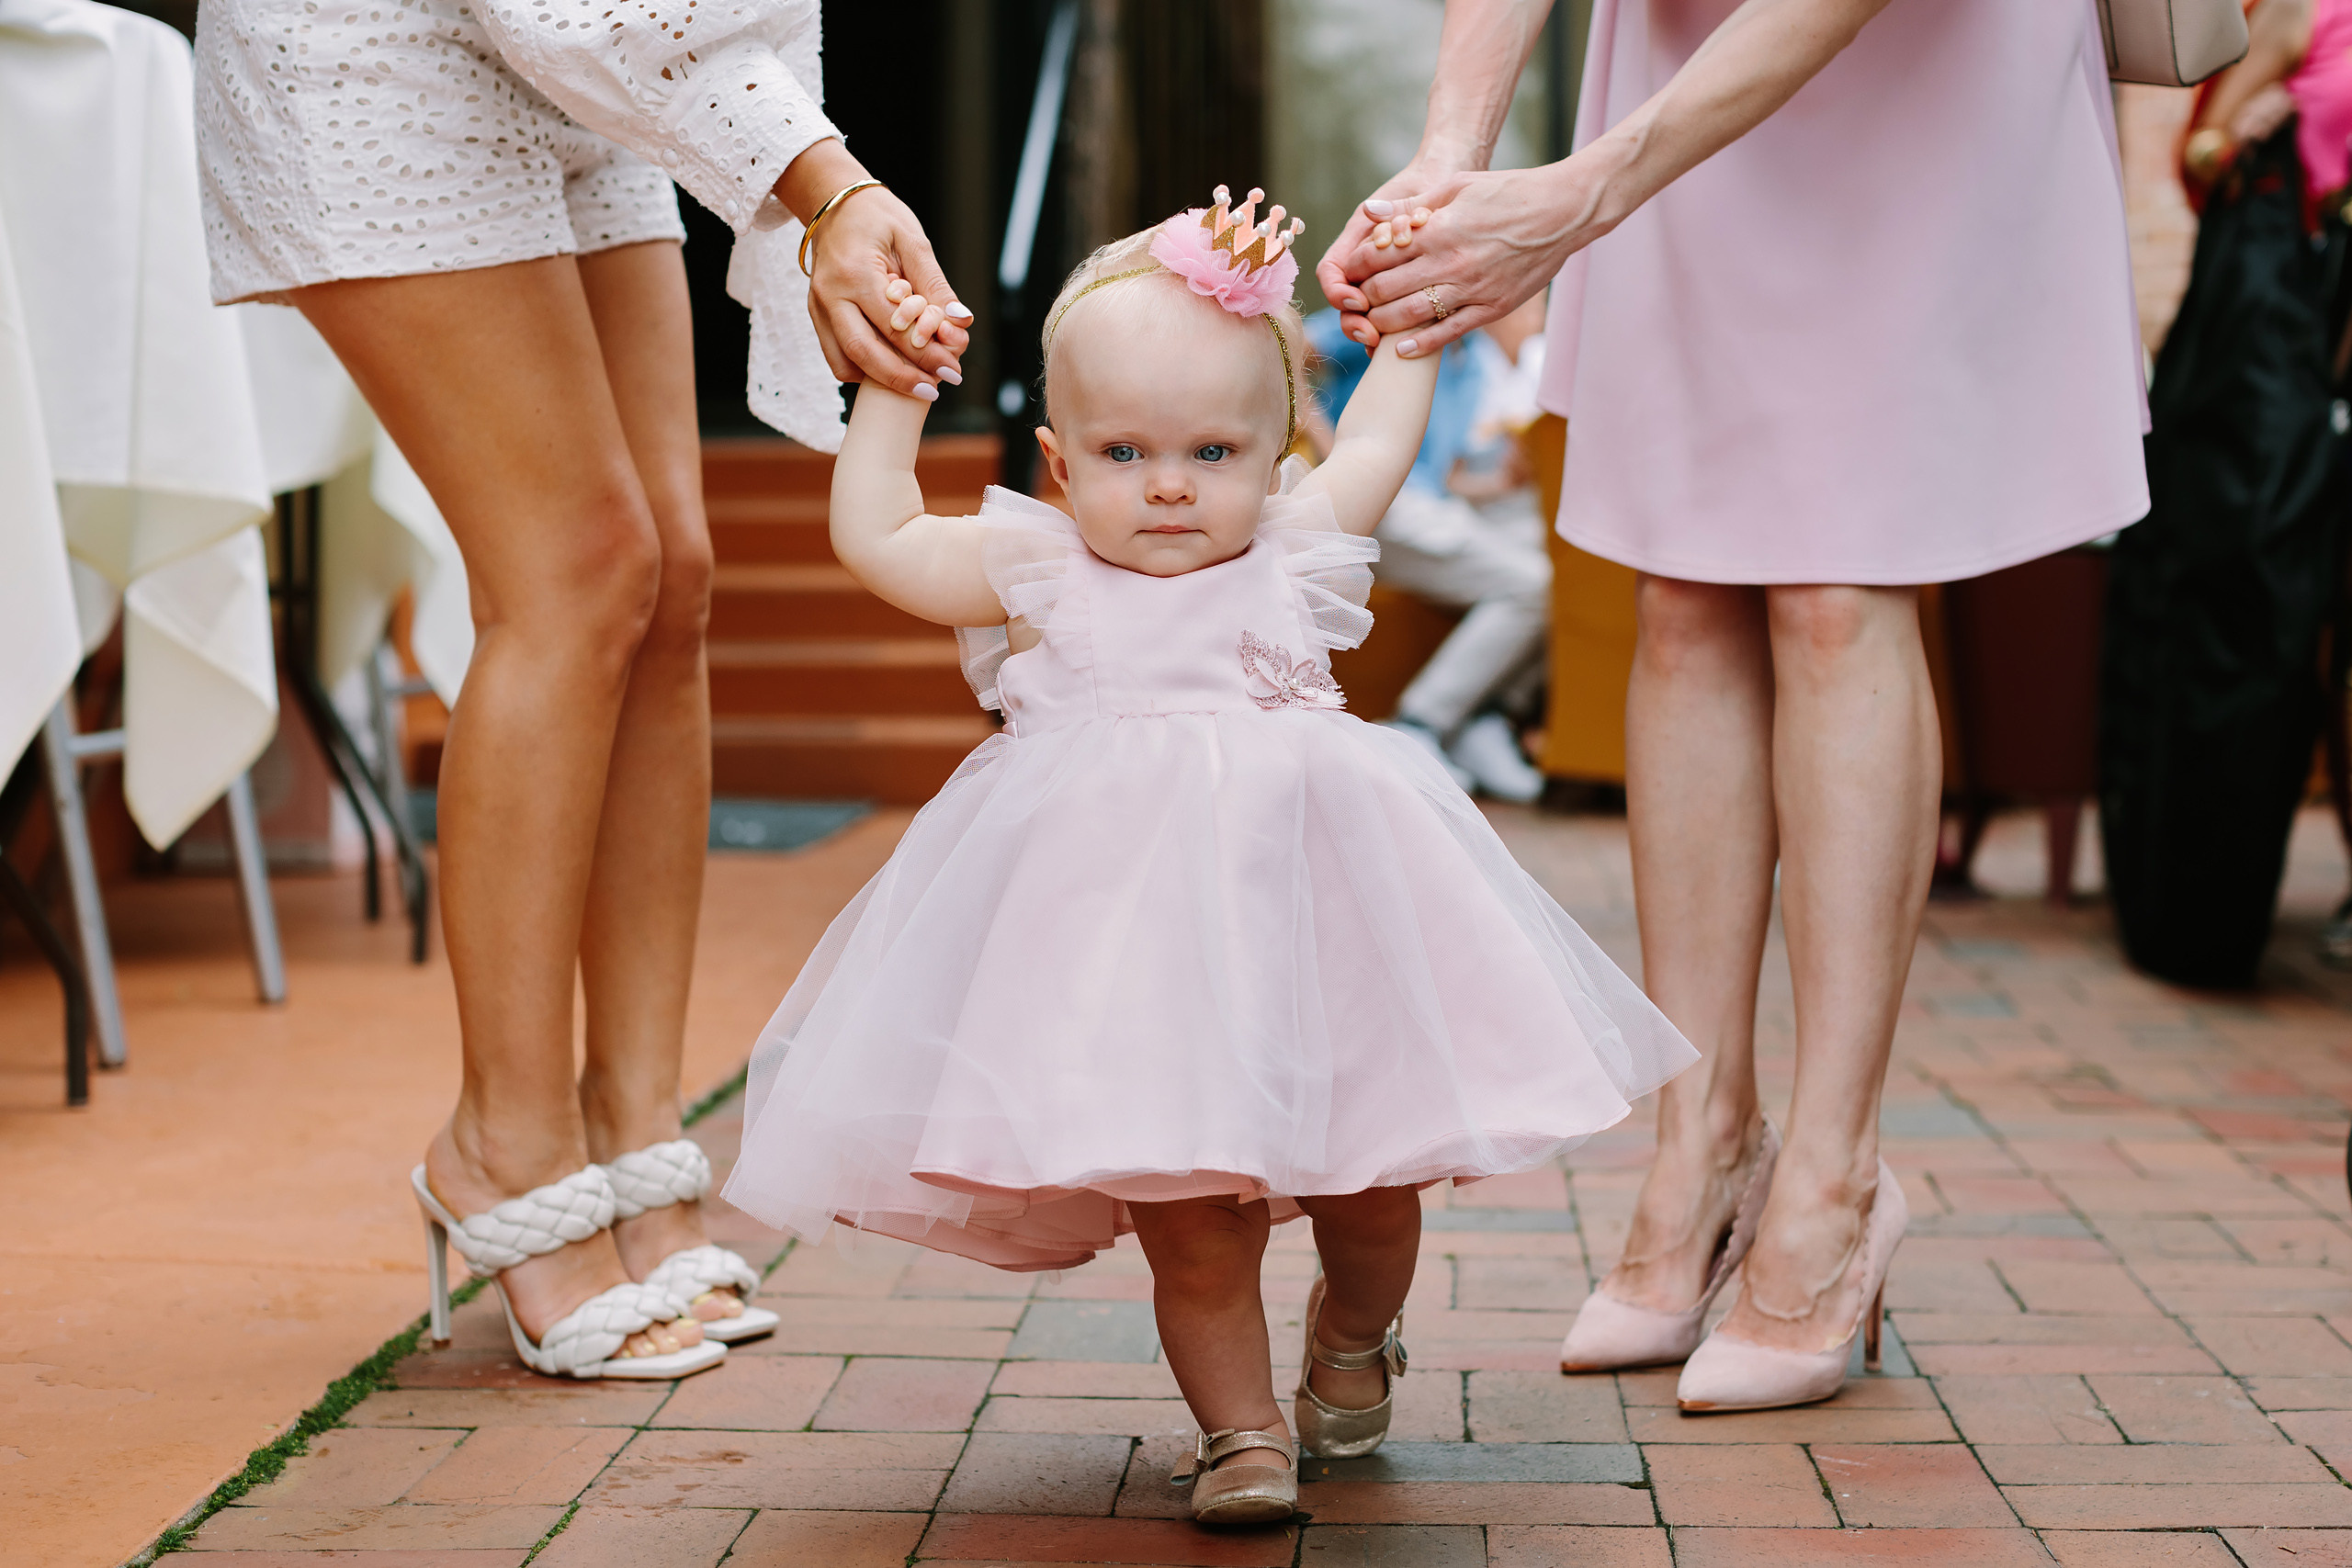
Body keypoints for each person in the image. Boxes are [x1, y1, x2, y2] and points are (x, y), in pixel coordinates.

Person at [720, 189, 1694, 1524]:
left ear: (1279, 454)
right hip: (1137, 985)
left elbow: (1393, 428)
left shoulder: (1296, 551)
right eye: (1124, 451)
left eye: (1213, 450)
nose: (1170, 484)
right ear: (1061, 465)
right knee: (1191, 1214)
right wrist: (898, 383)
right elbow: (877, 536)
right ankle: (1240, 1432)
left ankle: (1354, 1332)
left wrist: (1402, 310)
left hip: (1319, 944)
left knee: (1373, 1197)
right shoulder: (1039, 568)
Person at [1320, 0, 2147, 1411]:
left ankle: (1834, 1178)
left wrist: (1586, 190)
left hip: (1924, 64)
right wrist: (1446, 166)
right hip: (1682, 48)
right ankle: (1698, 1142)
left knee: (1840, 579)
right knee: (1682, 585)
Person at [196, 0, 968, 1378]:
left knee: (671, 576)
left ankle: (633, 1125)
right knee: (574, 568)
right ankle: (503, 1143)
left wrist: (814, 172)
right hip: (391, 45)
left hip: (595, 66)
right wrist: (826, 183)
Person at [2103, 0, 2352, 988]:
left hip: (2311, 349)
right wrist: (2239, 133)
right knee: (2258, 609)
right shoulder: (2305, 17)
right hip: (2281, 351)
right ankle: (2196, 894)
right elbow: (2203, 153)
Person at [1304, 294, 1554, 801]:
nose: (1537, 321)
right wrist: (1337, 456)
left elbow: (1445, 477)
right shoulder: (1396, 315)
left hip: (1422, 508)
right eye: (1529, 307)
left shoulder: (1472, 369)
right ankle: (1420, 723)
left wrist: (1499, 484)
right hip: (1382, 507)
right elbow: (1284, 351)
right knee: (1532, 585)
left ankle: (1483, 719)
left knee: (1551, 577)